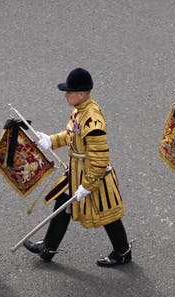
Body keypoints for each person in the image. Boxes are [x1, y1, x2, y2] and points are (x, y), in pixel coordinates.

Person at [23, 68, 132, 267]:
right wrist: (52, 140)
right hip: (76, 170)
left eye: (69, 92)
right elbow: (71, 135)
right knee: (63, 201)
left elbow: (99, 159)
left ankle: (122, 251)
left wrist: (88, 184)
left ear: (81, 94)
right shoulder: (79, 110)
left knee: (107, 212)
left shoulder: (93, 120)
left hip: (92, 173)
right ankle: (49, 246)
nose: (66, 95)